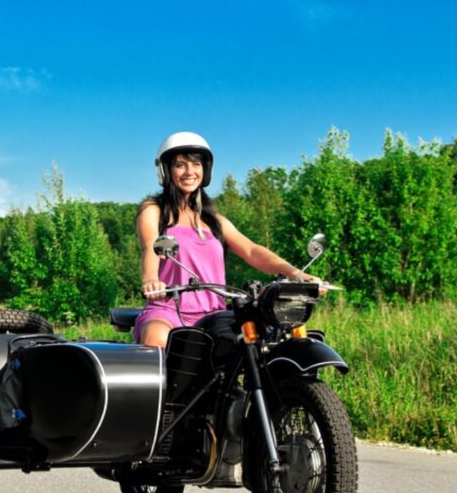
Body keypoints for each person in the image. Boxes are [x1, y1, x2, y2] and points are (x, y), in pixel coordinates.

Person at [134, 131, 322, 347]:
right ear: (165, 170)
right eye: (180, 165)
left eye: (196, 164)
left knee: (260, 344)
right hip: (168, 310)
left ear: (205, 170)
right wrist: (150, 279)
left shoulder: (214, 221)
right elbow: (150, 247)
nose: (189, 171)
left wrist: (296, 273)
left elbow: (252, 250)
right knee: (157, 337)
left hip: (214, 313)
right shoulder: (154, 211)